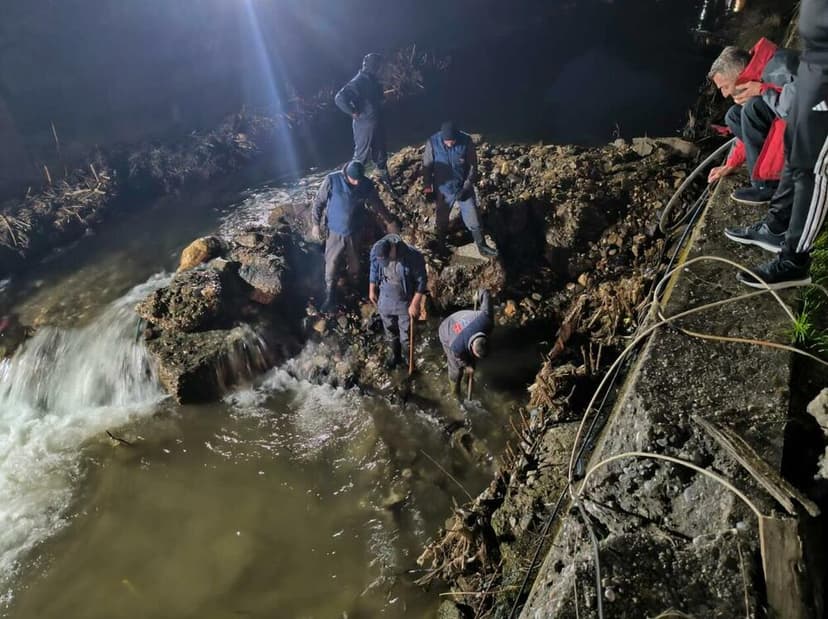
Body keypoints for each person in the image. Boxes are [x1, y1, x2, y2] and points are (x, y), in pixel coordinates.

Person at [737, 0, 828, 289]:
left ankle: (794, 261)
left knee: (814, 168)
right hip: (815, 64)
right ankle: (777, 227)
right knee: (795, 153)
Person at [707, 39, 799, 205]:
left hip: (813, 124)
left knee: (752, 109)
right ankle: (764, 175)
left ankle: (767, 185)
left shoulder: (779, 69)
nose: (725, 94)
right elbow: (750, 134)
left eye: (724, 87)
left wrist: (762, 91)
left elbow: (796, 110)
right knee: (734, 115)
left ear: (738, 75)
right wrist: (731, 164)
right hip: (793, 120)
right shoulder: (760, 71)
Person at [311, 160, 398, 312]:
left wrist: (389, 221)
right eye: (354, 179)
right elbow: (318, 202)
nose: (357, 182)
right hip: (334, 231)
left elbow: (376, 203)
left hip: (355, 231)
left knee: (355, 264)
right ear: (346, 175)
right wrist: (315, 224)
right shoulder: (332, 180)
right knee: (331, 263)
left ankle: (355, 288)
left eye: (360, 179)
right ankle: (329, 294)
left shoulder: (365, 184)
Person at [422, 121, 498, 257]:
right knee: (441, 220)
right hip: (443, 190)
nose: (450, 144)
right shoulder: (433, 142)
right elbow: (427, 168)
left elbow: (473, 167)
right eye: (447, 142)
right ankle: (441, 246)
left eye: (452, 141)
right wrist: (428, 189)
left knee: (473, 217)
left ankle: (482, 246)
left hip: (463, 187)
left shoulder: (466, 141)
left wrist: (466, 187)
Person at [368, 234, 428, 369]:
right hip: (385, 299)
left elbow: (421, 281)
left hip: (404, 301)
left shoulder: (412, 256)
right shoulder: (376, 250)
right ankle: (395, 357)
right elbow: (373, 269)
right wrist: (372, 289)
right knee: (390, 331)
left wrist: (415, 303)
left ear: (392, 250)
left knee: (406, 336)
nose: (385, 263)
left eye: (387, 260)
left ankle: (409, 361)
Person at [334, 53, 392, 186]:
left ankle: (385, 182)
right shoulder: (358, 81)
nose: (380, 69)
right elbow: (339, 98)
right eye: (379, 66)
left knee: (381, 154)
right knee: (361, 157)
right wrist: (352, 111)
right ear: (374, 66)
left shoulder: (373, 80)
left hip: (377, 122)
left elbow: (378, 98)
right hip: (364, 125)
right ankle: (350, 184)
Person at [438, 289, 494, 398]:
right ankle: (454, 392)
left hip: (462, 321)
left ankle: (467, 378)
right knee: (456, 369)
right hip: (447, 330)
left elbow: (485, 293)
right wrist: (467, 365)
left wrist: (478, 294)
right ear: (472, 347)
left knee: (470, 361)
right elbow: (458, 357)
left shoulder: (487, 320)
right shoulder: (457, 345)